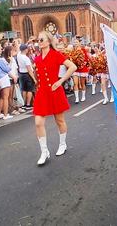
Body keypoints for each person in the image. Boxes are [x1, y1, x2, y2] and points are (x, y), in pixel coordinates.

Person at [34, 31, 77, 166]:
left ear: (48, 41)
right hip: (42, 93)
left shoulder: (55, 54)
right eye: (38, 40)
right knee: (38, 122)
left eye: (41, 40)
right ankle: (44, 151)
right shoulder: (37, 58)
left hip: (54, 91)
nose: (39, 42)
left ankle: (62, 144)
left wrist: (60, 81)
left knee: (59, 120)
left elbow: (72, 67)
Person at [17, 44, 36, 110]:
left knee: (24, 89)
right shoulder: (26, 58)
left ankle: (24, 103)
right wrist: (34, 78)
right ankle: (28, 104)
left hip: (21, 73)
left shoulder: (18, 55)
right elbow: (29, 69)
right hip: (27, 74)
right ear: (25, 50)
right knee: (29, 90)